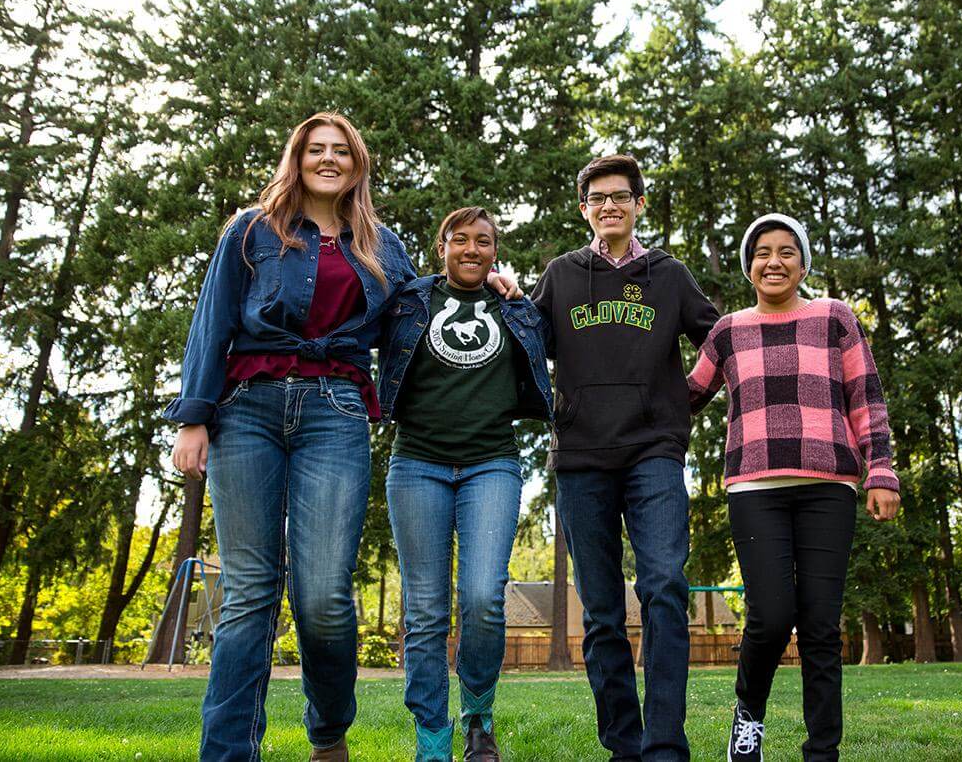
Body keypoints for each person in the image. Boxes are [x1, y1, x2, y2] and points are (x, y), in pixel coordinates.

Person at [165, 112, 516, 762]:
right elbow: (212, 320)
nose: (328, 159)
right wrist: (194, 416)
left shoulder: (382, 246)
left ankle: (327, 731)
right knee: (250, 591)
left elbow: (426, 315)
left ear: (357, 165)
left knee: (324, 594)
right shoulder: (250, 231)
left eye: (341, 151)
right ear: (297, 158)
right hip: (247, 410)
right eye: (315, 149)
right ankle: (227, 753)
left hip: (337, 412)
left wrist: (490, 289)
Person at [686, 213, 901, 762]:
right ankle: (748, 721)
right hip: (754, 489)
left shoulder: (835, 317)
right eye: (762, 252)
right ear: (749, 265)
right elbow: (683, 396)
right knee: (772, 616)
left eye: (786, 252)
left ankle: (822, 751)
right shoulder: (728, 330)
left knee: (822, 626)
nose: (773, 262)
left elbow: (866, 399)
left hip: (828, 486)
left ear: (803, 264)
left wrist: (881, 472)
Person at [532, 154, 720, 762]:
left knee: (665, 585)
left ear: (639, 203)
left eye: (621, 195)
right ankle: (624, 746)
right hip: (582, 457)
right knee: (603, 612)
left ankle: (665, 745)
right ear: (584, 208)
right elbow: (523, 347)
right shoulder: (561, 276)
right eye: (597, 197)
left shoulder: (668, 275)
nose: (609, 205)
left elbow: (720, 341)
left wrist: (682, 397)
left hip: (653, 453)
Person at [377, 206, 553, 762]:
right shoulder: (408, 301)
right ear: (441, 246)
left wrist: (518, 294)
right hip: (417, 464)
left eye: (483, 241)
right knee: (424, 611)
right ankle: (433, 738)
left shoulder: (517, 308)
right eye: (460, 240)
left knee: (482, 598)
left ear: (494, 250)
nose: (471, 249)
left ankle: (478, 716)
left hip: (490, 465)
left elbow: (558, 347)